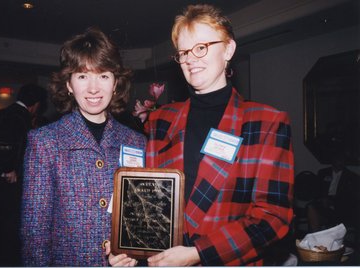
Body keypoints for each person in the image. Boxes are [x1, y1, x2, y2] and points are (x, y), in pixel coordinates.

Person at [109, 4, 294, 266]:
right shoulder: (160, 120)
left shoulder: (266, 122)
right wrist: (130, 250)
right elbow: (148, 202)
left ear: (228, 50)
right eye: (183, 52)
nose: (190, 59)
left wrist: (198, 253)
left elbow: (273, 219)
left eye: (201, 48)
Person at [20, 26, 146, 266]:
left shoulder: (136, 142)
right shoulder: (45, 142)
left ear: (116, 83)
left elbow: (140, 217)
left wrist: (133, 255)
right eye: (82, 76)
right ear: (68, 84)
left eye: (103, 75)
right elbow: (34, 234)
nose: (93, 88)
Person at [0, 83, 46, 266]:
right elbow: (12, 145)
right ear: (35, 104)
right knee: (11, 226)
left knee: (1, 223)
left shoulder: (4, 113)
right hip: (12, 181)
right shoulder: (20, 117)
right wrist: (10, 169)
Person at [307, 151, 359, 233]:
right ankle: (315, 235)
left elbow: (351, 197)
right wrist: (322, 199)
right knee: (311, 207)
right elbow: (317, 189)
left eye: (342, 160)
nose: (339, 162)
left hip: (340, 204)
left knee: (340, 210)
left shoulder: (351, 177)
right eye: (337, 159)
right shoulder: (323, 173)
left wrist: (333, 202)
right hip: (324, 201)